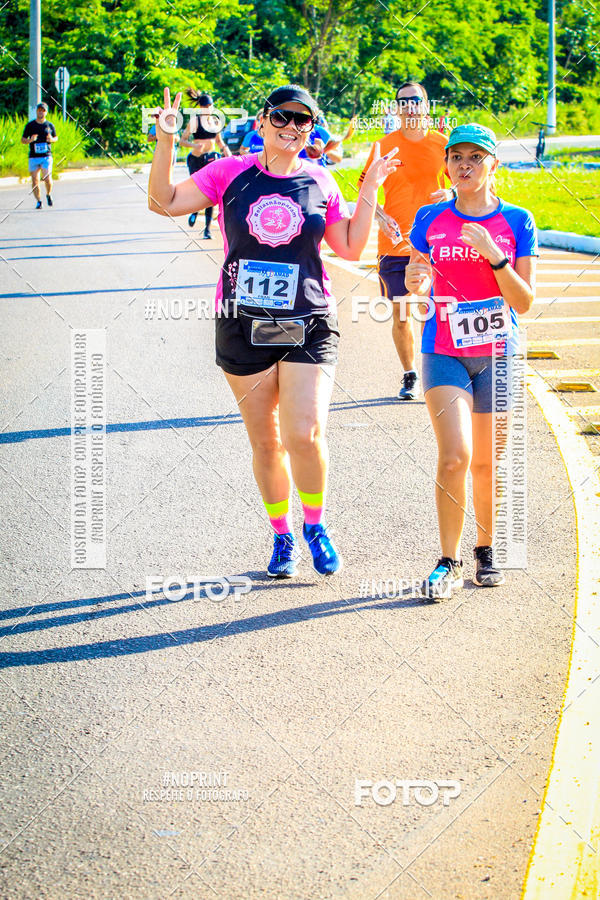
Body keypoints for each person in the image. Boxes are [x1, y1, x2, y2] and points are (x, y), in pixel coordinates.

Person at [148, 84, 398, 578]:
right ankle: (282, 536)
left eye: (303, 121)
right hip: (243, 323)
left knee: (304, 433)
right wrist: (165, 140)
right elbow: (163, 202)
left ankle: (316, 525)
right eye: (281, 117)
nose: (291, 128)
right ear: (261, 122)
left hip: (307, 320)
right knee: (266, 442)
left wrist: (368, 189)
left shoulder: (321, 182)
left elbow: (348, 247)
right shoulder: (231, 172)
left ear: (312, 130)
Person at [405, 123, 537, 598]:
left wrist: (494, 255)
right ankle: (447, 559)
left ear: (492, 165)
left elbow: (522, 302)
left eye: (475, 157)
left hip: (500, 354)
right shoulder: (430, 217)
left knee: (487, 462)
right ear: (447, 165)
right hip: (444, 348)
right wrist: (417, 281)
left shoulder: (517, 221)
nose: (465, 165)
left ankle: (486, 549)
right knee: (455, 455)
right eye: (457, 157)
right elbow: (416, 277)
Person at [359, 81, 452, 400]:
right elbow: (364, 191)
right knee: (400, 315)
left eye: (416, 100)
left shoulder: (445, 144)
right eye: (403, 101)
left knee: (429, 311)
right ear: (396, 109)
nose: (410, 105)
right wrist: (382, 218)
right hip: (394, 246)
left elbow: (467, 183)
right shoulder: (383, 146)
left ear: (427, 105)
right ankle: (410, 375)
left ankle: (432, 374)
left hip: (435, 244)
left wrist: (451, 193)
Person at [179, 90, 231, 238]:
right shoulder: (194, 121)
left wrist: (228, 153)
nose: (208, 108)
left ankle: (207, 230)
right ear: (200, 107)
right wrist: (194, 146)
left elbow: (220, 142)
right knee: (197, 190)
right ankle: (194, 210)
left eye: (210, 105)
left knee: (211, 192)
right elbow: (183, 140)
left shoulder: (215, 122)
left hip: (211, 159)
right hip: (196, 159)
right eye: (206, 106)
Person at [21, 102, 57, 209]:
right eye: (39, 110)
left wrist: (51, 140)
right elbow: (23, 140)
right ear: (36, 111)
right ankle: (39, 201)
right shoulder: (30, 125)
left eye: (43, 110)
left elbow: (56, 138)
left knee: (47, 178)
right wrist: (30, 140)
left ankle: (48, 194)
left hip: (46, 156)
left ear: (46, 112)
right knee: (35, 180)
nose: (41, 112)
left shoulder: (49, 125)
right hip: (33, 156)